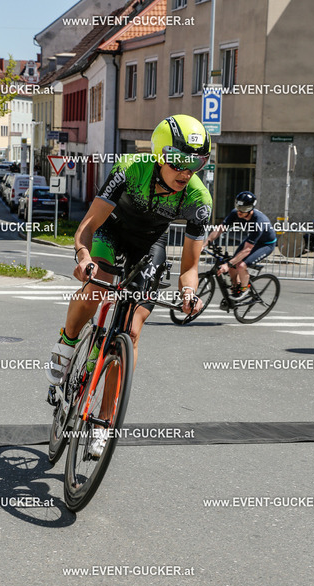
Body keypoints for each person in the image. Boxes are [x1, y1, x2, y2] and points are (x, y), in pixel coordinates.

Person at [46, 114, 213, 454]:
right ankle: (67, 343)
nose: (186, 172)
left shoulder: (199, 199)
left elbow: (190, 267)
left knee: (132, 331)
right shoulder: (130, 169)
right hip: (111, 232)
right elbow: (88, 226)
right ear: (160, 155)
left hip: (149, 245)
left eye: (196, 163)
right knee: (98, 286)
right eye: (179, 162)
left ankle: (103, 423)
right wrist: (83, 257)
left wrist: (189, 293)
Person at [204, 191, 276, 299]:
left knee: (241, 265)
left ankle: (244, 289)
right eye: (238, 207)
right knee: (232, 266)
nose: (240, 212)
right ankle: (235, 288)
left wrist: (227, 264)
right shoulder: (235, 213)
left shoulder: (259, 222)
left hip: (265, 244)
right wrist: (205, 244)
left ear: (250, 209)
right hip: (252, 240)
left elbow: (247, 250)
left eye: (244, 209)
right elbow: (220, 229)